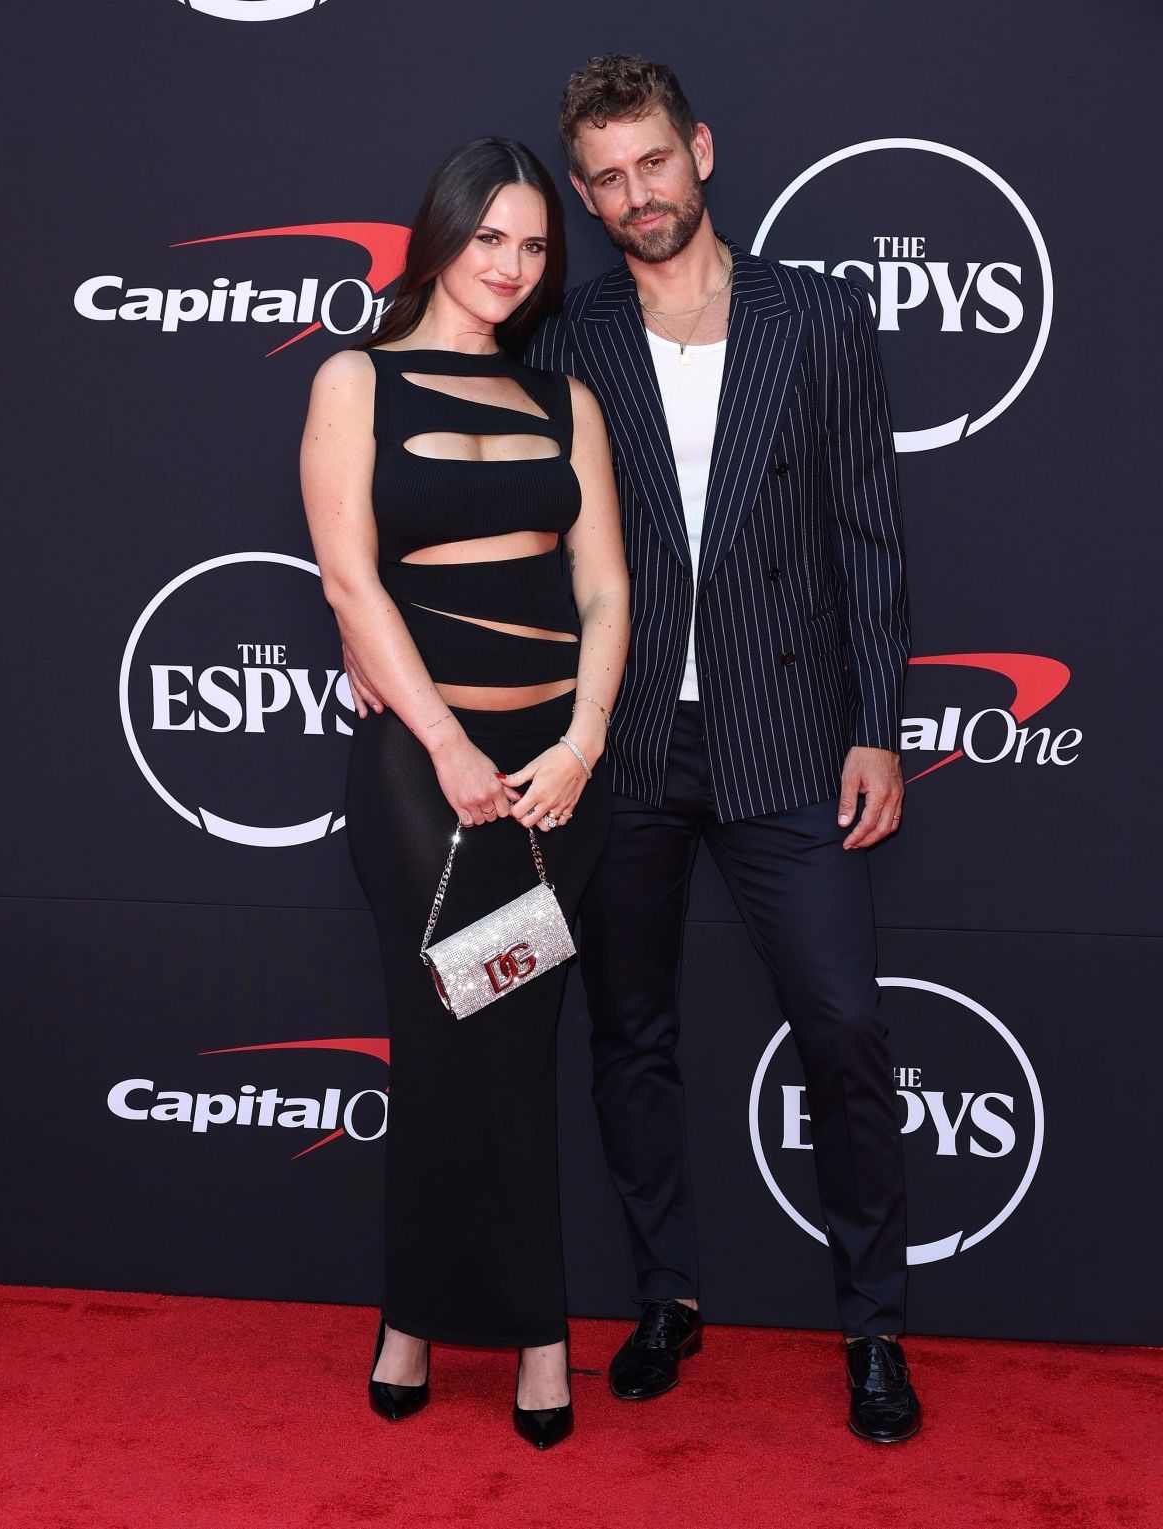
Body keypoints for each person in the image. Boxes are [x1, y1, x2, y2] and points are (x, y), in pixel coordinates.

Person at [525, 56, 921, 1444]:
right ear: (585, 193)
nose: (638, 194)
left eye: (654, 162)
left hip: (791, 735)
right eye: (609, 178)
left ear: (699, 150)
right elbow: (530, 549)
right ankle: (667, 1294)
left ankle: (873, 1323)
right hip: (625, 742)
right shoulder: (568, 342)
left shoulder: (816, 317)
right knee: (630, 1033)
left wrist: (878, 720)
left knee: (848, 1031)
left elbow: (867, 534)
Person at [301, 136, 629, 1451]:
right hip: (423, 781)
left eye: (535, 244)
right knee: (439, 1043)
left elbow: (606, 586)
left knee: (517, 1052)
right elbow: (348, 581)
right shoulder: (352, 380)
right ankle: (418, 1319)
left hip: (555, 786)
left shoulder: (570, 405)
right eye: (489, 235)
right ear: (438, 236)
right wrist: (444, 742)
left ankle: (535, 1332)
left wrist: (586, 740)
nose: (510, 264)